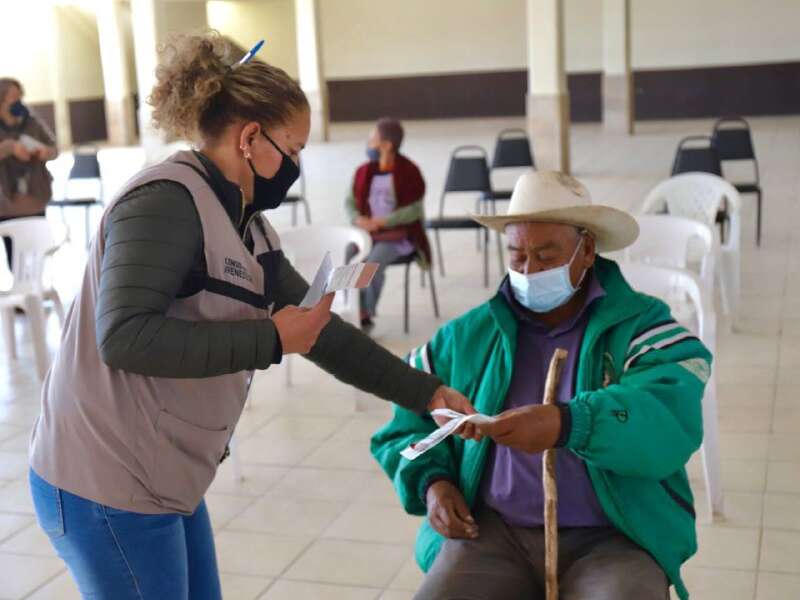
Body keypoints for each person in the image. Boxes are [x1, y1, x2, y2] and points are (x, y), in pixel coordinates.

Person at [28, 33, 476, 600]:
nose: (295, 165)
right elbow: (123, 337)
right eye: (293, 150)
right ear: (249, 138)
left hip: (162, 471)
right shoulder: (165, 203)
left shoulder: (247, 221)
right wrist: (268, 339)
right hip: (103, 480)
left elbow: (317, 333)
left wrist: (425, 392)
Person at [371, 170, 712, 600]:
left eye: (547, 257)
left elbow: (668, 415)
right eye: (517, 256)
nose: (529, 270)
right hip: (493, 533)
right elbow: (404, 425)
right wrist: (433, 483)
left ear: (586, 250)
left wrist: (568, 423)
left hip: (614, 535)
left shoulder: (643, 329)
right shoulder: (469, 338)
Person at [346, 117, 431, 330]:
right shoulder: (363, 171)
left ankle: (364, 313)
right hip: (368, 233)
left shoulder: (409, 171)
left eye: (372, 138)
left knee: (373, 262)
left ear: (386, 145)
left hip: (398, 236)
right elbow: (349, 201)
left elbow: (415, 210)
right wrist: (359, 219)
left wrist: (383, 221)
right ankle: (350, 307)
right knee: (348, 253)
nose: (368, 142)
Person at [0, 77, 58, 265]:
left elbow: (54, 148)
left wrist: (45, 152)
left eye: (20, 95)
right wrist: (10, 147)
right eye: (13, 97)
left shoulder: (32, 121)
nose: (19, 101)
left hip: (34, 197)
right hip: (6, 203)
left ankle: (37, 291)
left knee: (38, 256)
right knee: (15, 260)